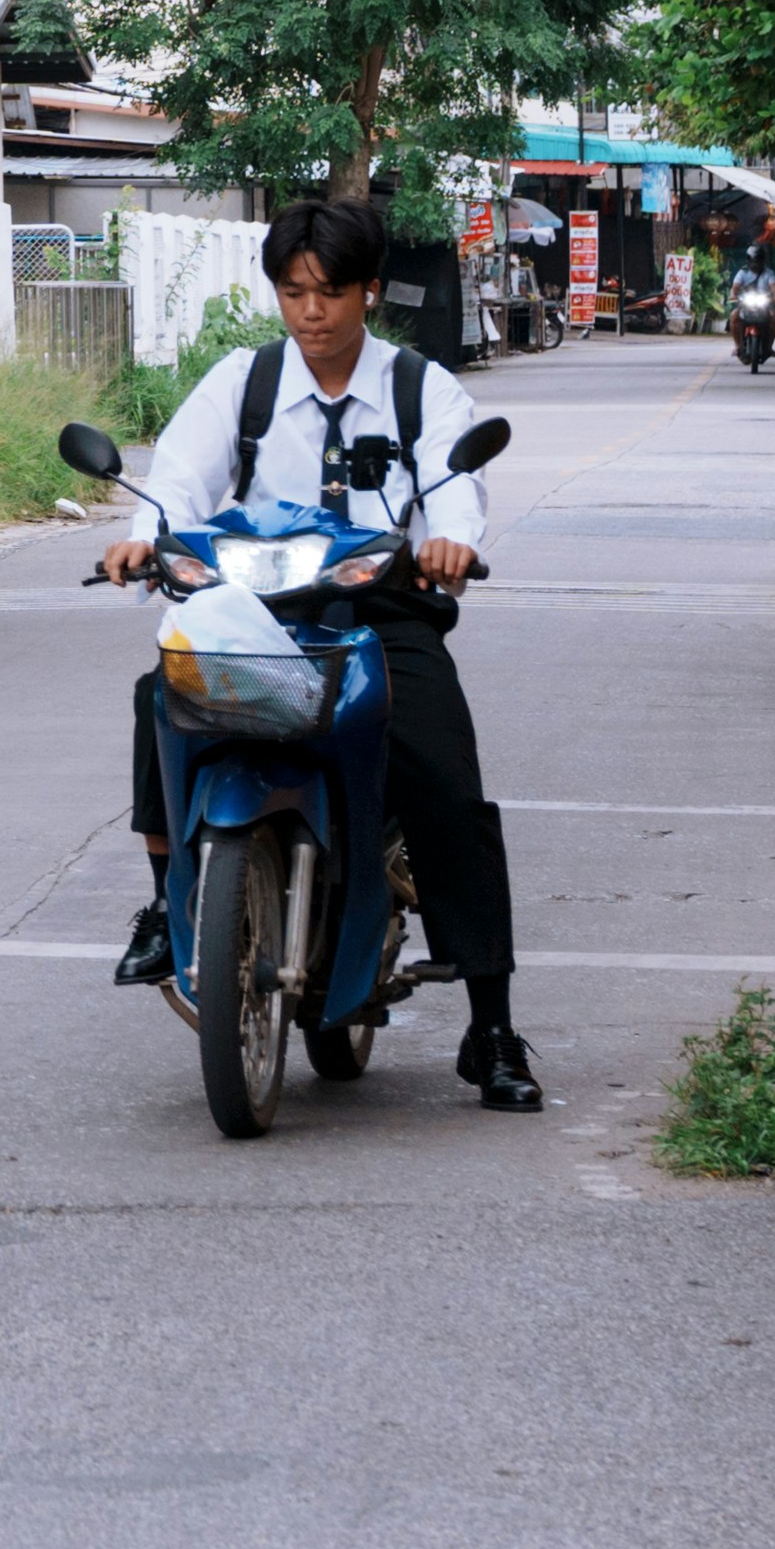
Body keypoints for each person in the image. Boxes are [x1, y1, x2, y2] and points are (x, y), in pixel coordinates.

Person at [96, 196, 541, 1113]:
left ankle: (491, 1023)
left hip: (379, 607)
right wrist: (144, 536)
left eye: (330, 292)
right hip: (254, 605)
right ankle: (161, 901)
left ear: (368, 292)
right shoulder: (244, 383)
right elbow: (178, 472)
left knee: (443, 778)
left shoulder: (419, 386)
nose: (310, 311)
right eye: (293, 291)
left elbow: (456, 482)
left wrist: (450, 541)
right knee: (162, 692)